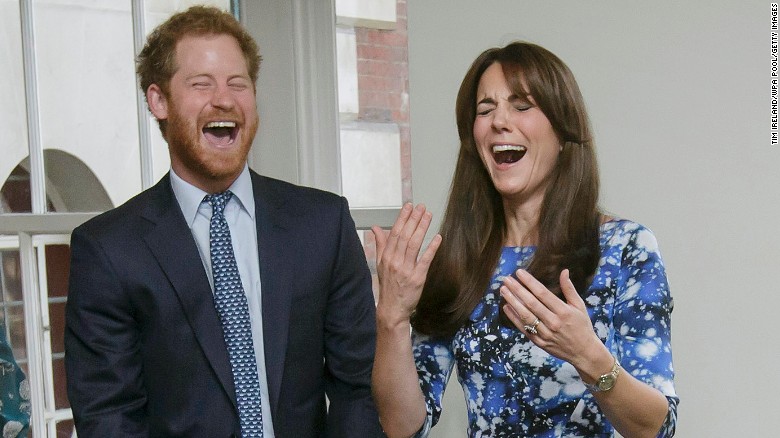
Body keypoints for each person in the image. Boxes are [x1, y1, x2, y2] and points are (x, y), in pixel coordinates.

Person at [64, 6, 383, 437]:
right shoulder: (108, 250)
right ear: (158, 100)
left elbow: (357, 389)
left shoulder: (323, 225)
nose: (225, 99)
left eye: (239, 83)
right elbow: (109, 417)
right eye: (201, 84)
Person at [371, 41, 678, 437]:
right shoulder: (458, 258)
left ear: (563, 131)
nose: (499, 121)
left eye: (521, 105)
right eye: (485, 109)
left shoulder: (625, 247)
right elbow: (402, 426)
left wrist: (589, 357)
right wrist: (392, 318)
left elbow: (657, 427)